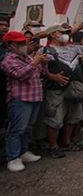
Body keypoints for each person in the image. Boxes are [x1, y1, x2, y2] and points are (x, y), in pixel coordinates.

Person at [1, 31, 48, 172]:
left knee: (28, 128)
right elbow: (20, 75)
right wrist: (35, 62)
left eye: (24, 42)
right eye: (19, 43)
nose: (23, 45)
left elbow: (40, 72)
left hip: (35, 97)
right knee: (17, 129)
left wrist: (43, 63)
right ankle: (13, 157)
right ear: (10, 45)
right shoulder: (8, 60)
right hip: (20, 99)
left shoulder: (27, 57)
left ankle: (24, 151)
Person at [43, 24, 83, 157]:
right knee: (55, 119)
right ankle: (53, 146)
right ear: (53, 34)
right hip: (55, 89)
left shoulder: (75, 48)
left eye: (66, 32)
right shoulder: (45, 50)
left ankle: (67, 142)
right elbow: (41, 70)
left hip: (74, 88)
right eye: (62, 32)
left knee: (73, 117)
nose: (65, 34)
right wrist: (53, 76)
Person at [0, 17, 11, 128]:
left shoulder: (8, 46)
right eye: (1, 25)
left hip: (7, 84)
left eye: (6, 25)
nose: (4, 28)